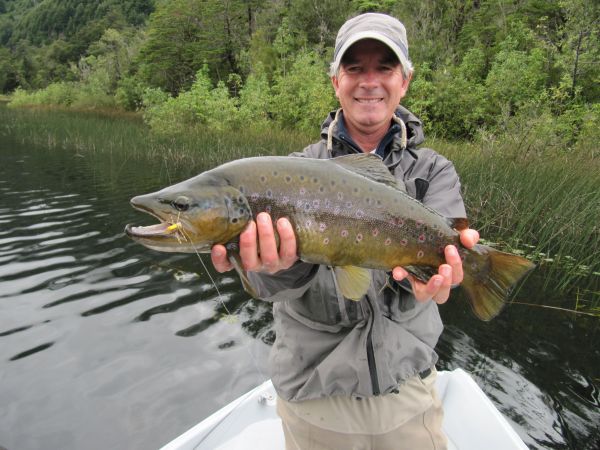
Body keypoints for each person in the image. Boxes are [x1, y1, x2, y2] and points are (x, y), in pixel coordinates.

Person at [211, 12, 479, 450]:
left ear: (404, 81)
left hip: (407, 393)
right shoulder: (294, 172)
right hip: (316, 398)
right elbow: (265, 286)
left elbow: (438, 271)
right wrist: (281, 268)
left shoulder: (435, 173)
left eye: (384, 68)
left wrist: (437, 280)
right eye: (354, 68)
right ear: (336, 81)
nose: (369, 81)